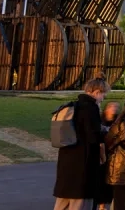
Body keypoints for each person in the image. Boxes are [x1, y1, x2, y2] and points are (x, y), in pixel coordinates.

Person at [52, 78, 109, 210]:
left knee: (63, 200)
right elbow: (93, 136)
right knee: (79, 201)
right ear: (96, 92)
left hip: (67, 158)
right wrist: (107, 133)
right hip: (83, 163)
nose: (103, 97)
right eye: (103, 94)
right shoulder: (91, 108)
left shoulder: (74, 106)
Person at [95, 101, 120, 210]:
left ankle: (109, 204)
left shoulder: (118, 121)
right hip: (101, 153)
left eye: (115, 107)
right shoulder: (100, 120)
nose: (113, 108)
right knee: (101, 180)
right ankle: (101, 205)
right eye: (111, 106)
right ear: (106, 109)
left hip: (113, 154)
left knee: (111, 181)